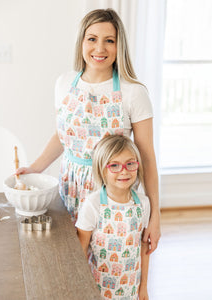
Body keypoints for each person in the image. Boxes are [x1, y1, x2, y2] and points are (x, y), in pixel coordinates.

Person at [16, 8, 160, 252]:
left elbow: (147, 157)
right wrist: (35, 168)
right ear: (81, 41)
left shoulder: (134, 92)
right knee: (69, 265)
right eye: (92, 39)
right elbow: (64, 136)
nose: (99, 48)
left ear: (119, 45)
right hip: (69, 190)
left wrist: (155, 215)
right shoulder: (64, 84)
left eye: (109, 41)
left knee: (108, 269)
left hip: (113, 193)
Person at [76, 134, 150, 300]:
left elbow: (144, 247)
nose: (123, 171)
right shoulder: (93, 204)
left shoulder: (143, 203)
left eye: (130, 163)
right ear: (102, 169)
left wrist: (143, 288)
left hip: (131, 291)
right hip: (98, 291)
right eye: (114, 165)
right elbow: (80, 250)